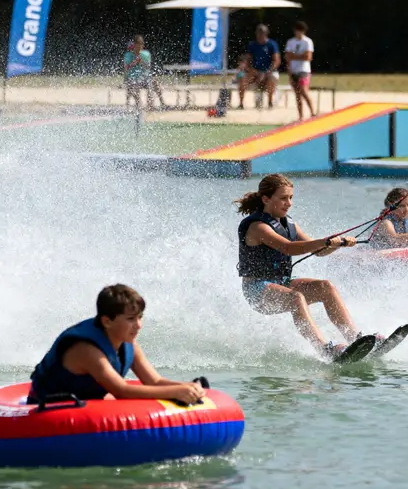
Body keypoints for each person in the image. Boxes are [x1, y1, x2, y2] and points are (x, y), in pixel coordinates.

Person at [236, 174, 383, 360]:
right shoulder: (258, 226)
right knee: (296, 297)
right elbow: (288, 248)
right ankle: (325, 349)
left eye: (291, 197)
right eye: (283, 198)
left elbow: (319, 251)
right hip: (257, 290)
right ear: (266, 199)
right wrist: (324, 241)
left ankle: (356, 339)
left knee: (325, 287)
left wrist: (338, 244)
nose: (289, 203)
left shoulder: (289, 224)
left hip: (281, 282)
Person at [28, 284, 206, 405]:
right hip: (47, 409)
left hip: (84, 402)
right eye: (131, 319)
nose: (138, 325)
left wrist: (188, 387)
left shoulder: (128, 343)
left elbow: (154, 381)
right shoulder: (86, 350)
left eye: (140, 317)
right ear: (107, 321)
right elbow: (122, 391)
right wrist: (176, 392)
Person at [240, 24, 281, 109]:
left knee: (272, 77)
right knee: (242, 77)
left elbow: (276, 61)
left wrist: (267, 72)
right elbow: (248, 59)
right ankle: (241, 104)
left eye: (262, 33)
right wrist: (251, 70)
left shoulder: (271, 44)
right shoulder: (252, 45)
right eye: (258, 32)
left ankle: (270, 102)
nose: (260, 34)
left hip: (268, 71)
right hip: (255, 71)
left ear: (266, 33)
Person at [284, 21, 316, 119]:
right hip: (293, 70)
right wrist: (300, 56)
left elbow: (308, 57)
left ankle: (312, 113)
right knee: (297, 95)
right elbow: (288, 57)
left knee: (304, 91)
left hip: (304, 70)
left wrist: (294, 56)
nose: (299, 33)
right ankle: (300, 116)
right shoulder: (290, 42)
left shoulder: (307, 41)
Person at [123, 36, 165, 109]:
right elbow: (126, 68)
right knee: (133, 86)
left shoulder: (146, 54)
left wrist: (141, 61)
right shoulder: (128, 55)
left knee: (154, 83)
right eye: (138, 45)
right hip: (133, 78)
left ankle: (159, 104)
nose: (140, 47)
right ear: (134, 45)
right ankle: (138, 105)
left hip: (144, 78)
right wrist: (134, 63)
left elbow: (148, 67)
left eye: (141, 45)